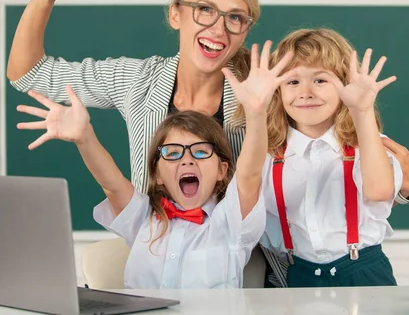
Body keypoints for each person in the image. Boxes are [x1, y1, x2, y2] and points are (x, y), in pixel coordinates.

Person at [6, 0, 409, 286]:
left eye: (235, 18)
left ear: (247, 30)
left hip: (256, 270)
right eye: (204, 10)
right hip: (163, 255)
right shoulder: (137, 80)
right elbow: (28, 75)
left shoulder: (263, 81)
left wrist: (407, 185)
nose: (218, 28)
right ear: (176, 14)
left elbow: (333, 125)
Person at [15, 42, 295, 288]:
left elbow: (249, 175)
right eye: (172, 153)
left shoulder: (231, 223)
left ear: (222, 171)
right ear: (157, 175)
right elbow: (111, 183)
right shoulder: (142, 219)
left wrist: (256, 113)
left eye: (200, 152)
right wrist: (84, 138)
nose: (186, 159)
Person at [260, 28, 402, 287]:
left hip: (365, 273)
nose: (306, 92)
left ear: (346, 85)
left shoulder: (367, 142)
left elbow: (381, 191)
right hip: (298, 276)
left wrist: (362, 111)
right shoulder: (268, 156)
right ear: (276, 92)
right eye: (292, 82)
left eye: (320, 80)